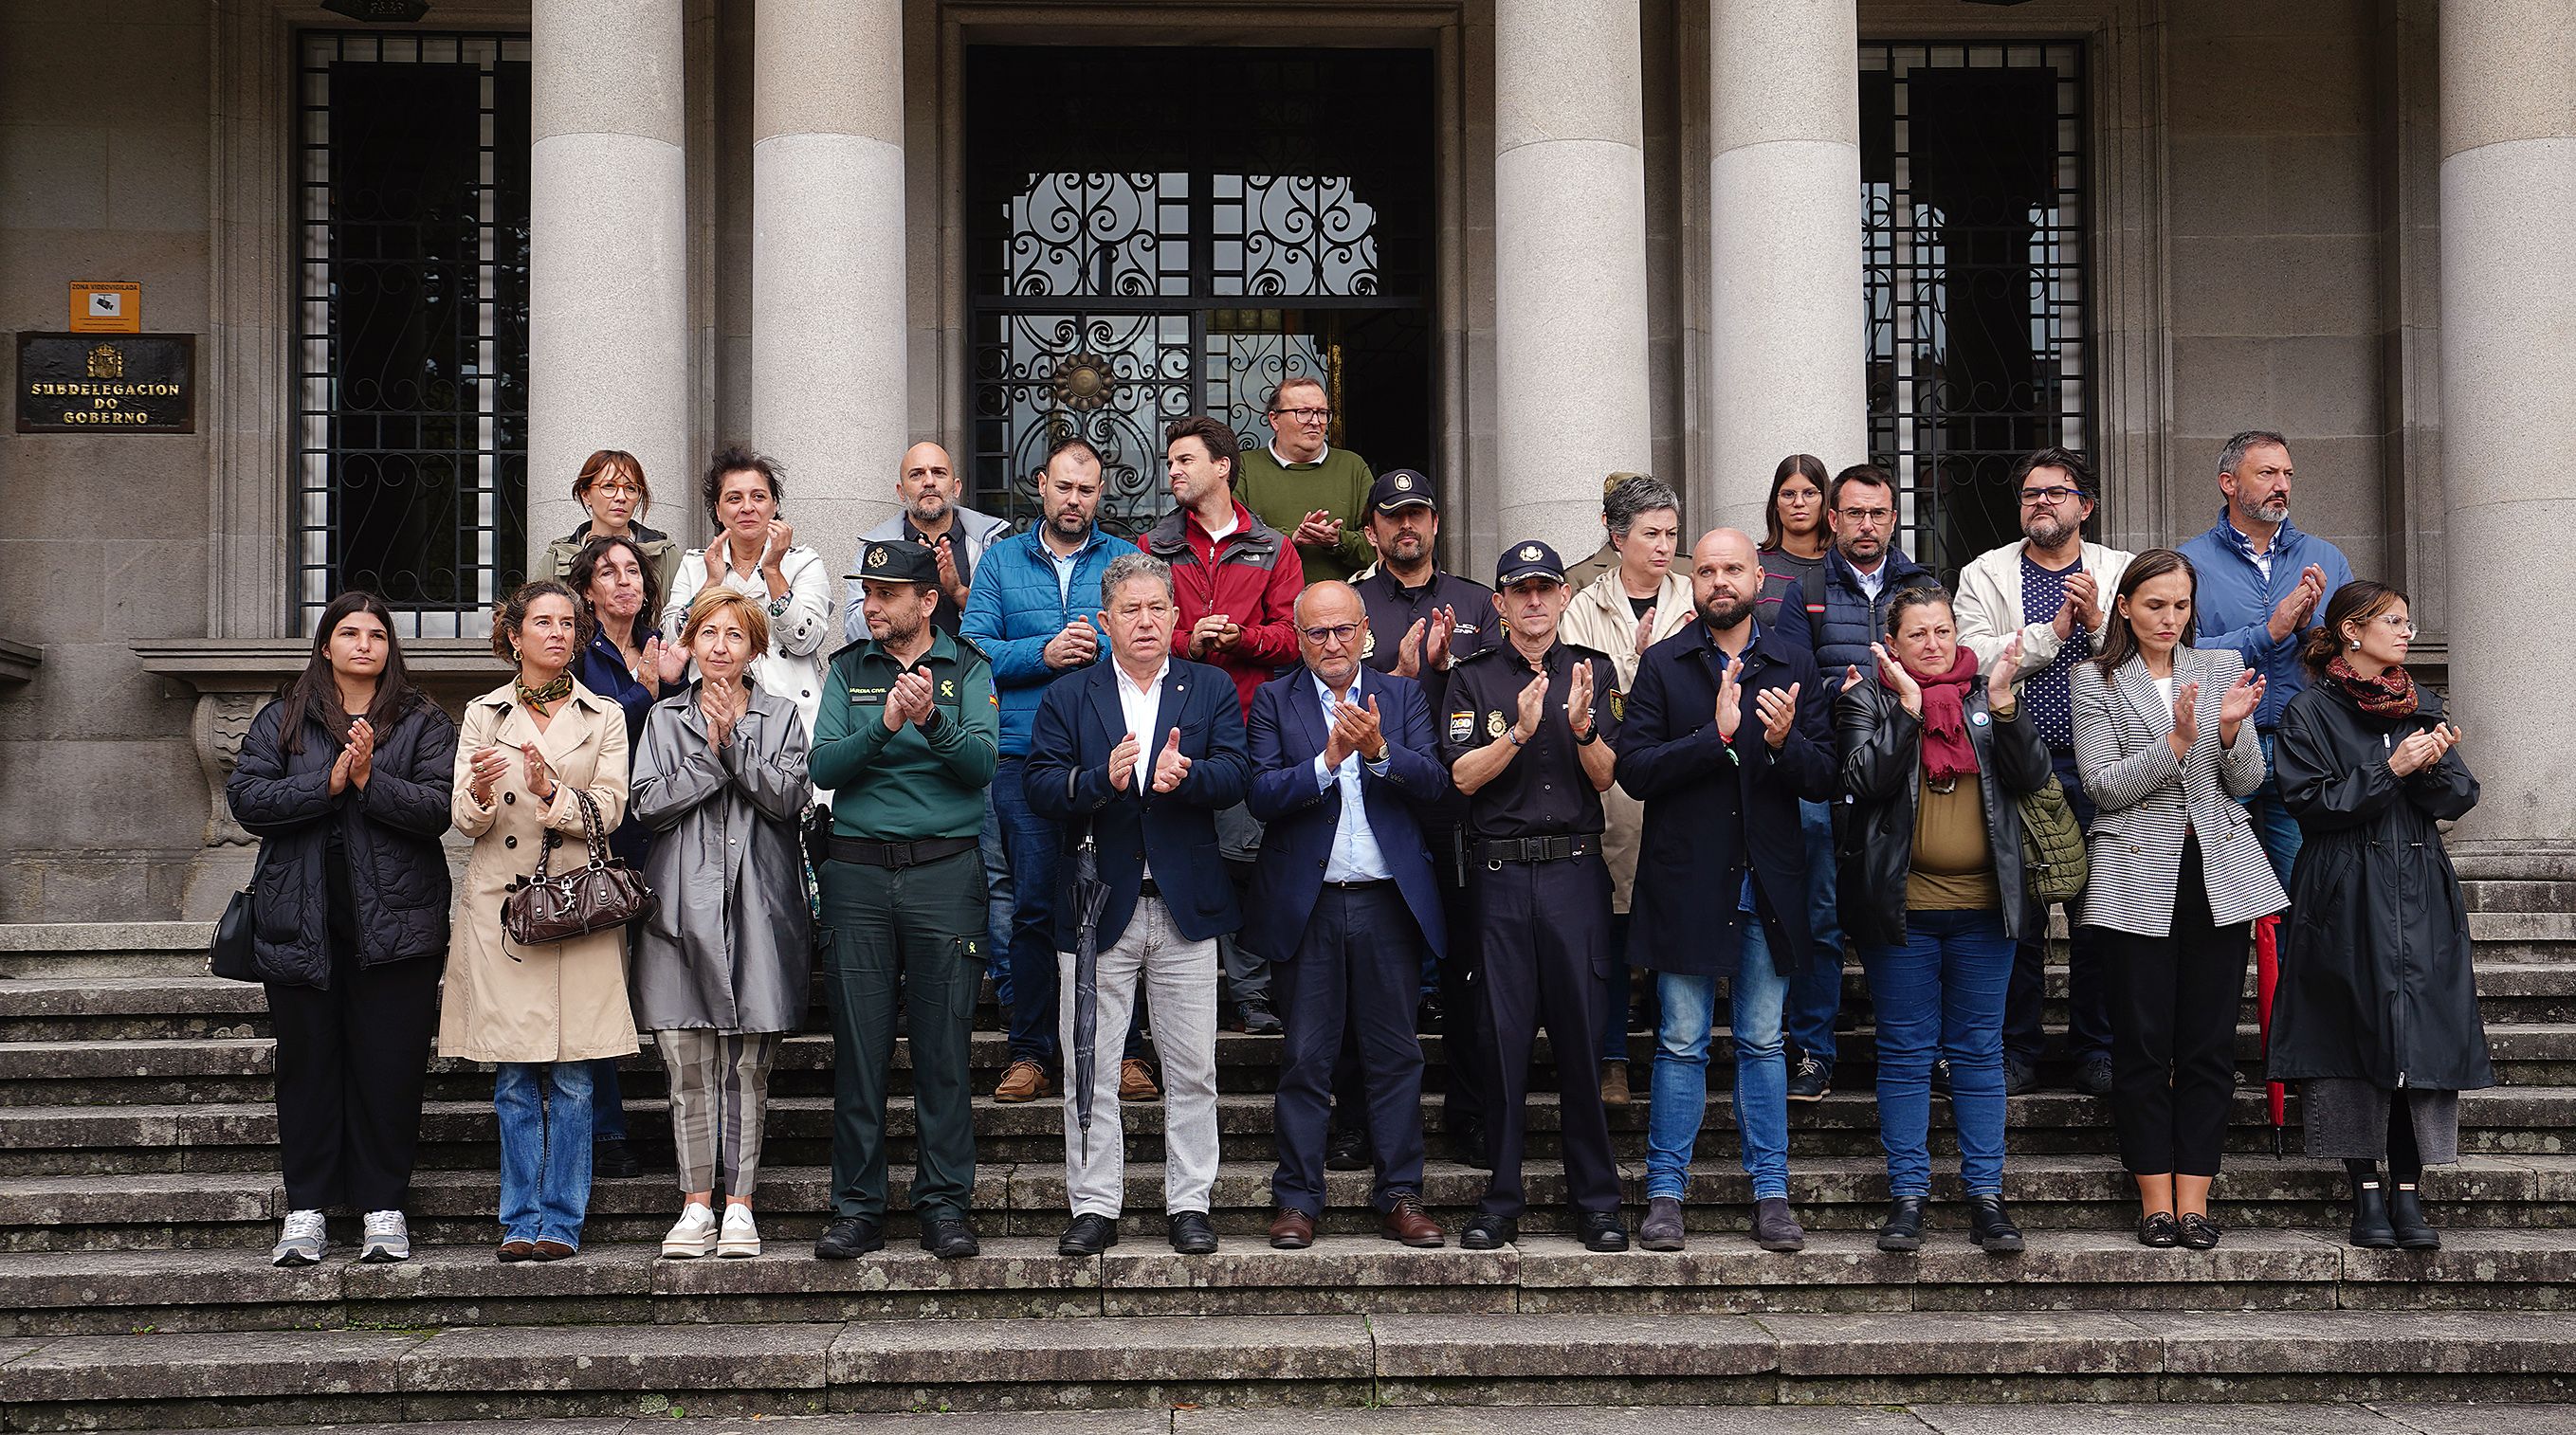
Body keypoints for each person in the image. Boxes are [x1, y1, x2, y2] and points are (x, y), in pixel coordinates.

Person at [1614, 529, 1834, 1254]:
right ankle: (1665, 1194)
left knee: (1763, 1042)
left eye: (1730, 568)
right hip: (1685, 881)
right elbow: (1635, 771)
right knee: (1679, 1043)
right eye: (1704, 570)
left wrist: (1778, 743)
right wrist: (1715, 737)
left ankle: (1771, 1193)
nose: (1717, 581)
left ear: (1756, 577)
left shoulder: (1793, 662)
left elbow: (1825, 776)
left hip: (1765, 879)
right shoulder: (1663, 664)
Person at [1026, 551, 1250, 1258]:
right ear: (1105, 621)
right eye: (1131, 610)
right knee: (1088, 1063)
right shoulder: (1070, 694)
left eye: (1158, 608)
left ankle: (1189, 1203)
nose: (1146, 621)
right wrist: (1101, 778)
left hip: (1183, 905)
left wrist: (1187, 775)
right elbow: (1037, 786)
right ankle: (1094, 1204)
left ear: (1177, 617)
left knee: (1192, 1068)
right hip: (1098, 908)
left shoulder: (1208, 687)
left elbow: (1238, 772)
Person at [226, 592, 455, 1267]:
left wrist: (367, 779)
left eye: (376, 634)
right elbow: (247, 799)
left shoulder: (420, 720)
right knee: (307, 1067)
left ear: (391, 648)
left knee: (390, 1067)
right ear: (325, 644)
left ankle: (384, 1207)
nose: (363, 644)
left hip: (396, 928)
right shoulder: (284, 718)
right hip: (300, 923)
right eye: (349, 633)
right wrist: (325, 784)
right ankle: (307, 1209)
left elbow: (436, 809)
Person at [2072, 548, 2286, 1251]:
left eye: (2180, 605)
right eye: (2155, 605)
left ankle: (2194, 1201)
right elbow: (2102, 787)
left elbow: (2246, 779)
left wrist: (2225, 731)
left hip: (2216, 874)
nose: (2169, 618)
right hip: (2134, 874)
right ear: (2125, 608)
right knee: (2140, 1044)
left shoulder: (2218, 669)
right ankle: (2152, 1202)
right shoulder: (2092, 679)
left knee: (2206, 1046)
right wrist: (2175, 743)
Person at [2268, 581, 2487, 1251]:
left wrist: (2427, 766)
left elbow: (2458, 796)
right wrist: (2390, 767)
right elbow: (2310, 802)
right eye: (2391, 620)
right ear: (2350, 632)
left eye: (2406, 619)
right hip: (2342, 887)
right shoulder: (2308, 711)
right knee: (2346, 1036)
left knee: (2419, 1037)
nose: (2406, 629)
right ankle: (2364, 1190)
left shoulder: (2422, 706)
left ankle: (2409, 1192)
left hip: (2418, 887)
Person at [1836, 588, 2054, 1256]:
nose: (1931, 644)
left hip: (1986, 911)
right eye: (1916, 634)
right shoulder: (1863, 699)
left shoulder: (1989, 696)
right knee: (1903, 1055)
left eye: (1941, 630)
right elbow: (1862, 779)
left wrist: (2008, 706)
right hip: (1903, 913)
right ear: (1892, 645)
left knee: (1978, 1054)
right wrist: (1905, 712)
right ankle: (1908, 1197)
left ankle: (1985, 1198)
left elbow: (2032, 776)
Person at [808, 540, 1001, 1262]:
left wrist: (933, 721)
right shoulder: (848, 670)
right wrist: (885, 721)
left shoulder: (967, 666)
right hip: (856, 875)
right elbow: (823, 764)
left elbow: (982, 767)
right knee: (858, 1051)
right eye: (867, 592)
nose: (871, 605)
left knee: (942, 1051)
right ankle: (856, 1207)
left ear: (927, 602)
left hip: (944, 876)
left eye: (887, 594)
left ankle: (944, 1204)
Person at [1247, 581, 1451, 1251]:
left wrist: (1380, 754)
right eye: (1315, 633)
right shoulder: (1274, 700)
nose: (1331, 645)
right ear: (1298, 637)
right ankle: (1298, 1201)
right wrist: (1326, 761)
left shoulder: (1399, 697)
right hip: (1307, 907)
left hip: (1385, 903)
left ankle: (1399, 1195)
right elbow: (1260, 794)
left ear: (1365, 629)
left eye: (1342, 630)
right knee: (1306, 1058)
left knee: (1394, 1057)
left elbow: (1434, 784)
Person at [440, 579, 639, 1262]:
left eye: (568, 623)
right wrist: (478, 790)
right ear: (514, 635)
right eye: (543, 622)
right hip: (504, 907)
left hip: (578, 906)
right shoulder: (482, 715)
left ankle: (562, 1219)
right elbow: (465, 824)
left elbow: (610, 812)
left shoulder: (604, 714)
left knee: (578, 1072)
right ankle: (518, 1216)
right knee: (516, 1076)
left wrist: (553, 790)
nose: (557, 633)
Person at [1439, 540, 1627, 1253]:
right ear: (1499, 604)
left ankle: (1598, 1202)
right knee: (1502, 1043)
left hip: (1575, 875)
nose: (1535, 601)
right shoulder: (1473, 679)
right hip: (1500, 879)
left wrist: (1579, 727)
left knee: (1580, 1039)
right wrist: (1519, 730)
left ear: (1562, 597)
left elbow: (1608, 776)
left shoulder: (1595, 671)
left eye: (1546, 588)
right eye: (1521, 590)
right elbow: (1460, 778)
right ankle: (1500, 1197)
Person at [629, 588, 814, 1261]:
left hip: (757, 911)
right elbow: (646, 804)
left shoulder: (781, 716)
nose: (719, 648)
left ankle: (739, 1204)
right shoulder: (663, 718)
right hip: (680, 910)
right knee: (685, 1066)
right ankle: (694, 1203)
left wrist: (733, 745)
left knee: (745, 1068)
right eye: (707, 633)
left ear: (754, 647)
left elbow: (790, 797)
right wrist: (708, 754)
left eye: (734, 636)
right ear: (691, 642)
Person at [960, 437, 1143, 1105]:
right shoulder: (1002, 561)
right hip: (1021, 755)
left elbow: (1152, 642)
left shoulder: (1126, 560)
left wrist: (1103, 648)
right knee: (1034, 908)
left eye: (1087, 489)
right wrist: (1044, 650)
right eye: (1064, 486)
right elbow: (973, 649)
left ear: (1101, 493)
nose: (1075, 500)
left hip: (1111, 753)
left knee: (1120, 910)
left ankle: (1122, 1051)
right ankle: (1032, 1052)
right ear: (1040, 484)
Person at [1952, 446, 2133, 1097]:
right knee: (2017, 915)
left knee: (2099, 915)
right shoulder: (1984, 573)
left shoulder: (2122, 572)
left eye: (2055, 493)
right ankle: (2014, 1051)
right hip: (2015, 762)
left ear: (2084, 505)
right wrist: (2051, 630)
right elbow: (1968, 656)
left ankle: (2097, 1048)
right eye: (2030, 494)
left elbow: (2147, 656)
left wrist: (2094, 628)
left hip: (2103, 762)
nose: (2041, 504)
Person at [1350, 468, 1500, 1164]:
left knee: (1470, 975)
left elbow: (1500, 693)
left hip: (1461, 813)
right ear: (1372, 528)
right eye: (1390, 516)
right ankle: (1359, 1122)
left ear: (1436, 523)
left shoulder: (1477, 601)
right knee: (1373, 975)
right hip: (1378, 811)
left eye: (1416, 514)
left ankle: (1469, 1117)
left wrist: (1441, 670)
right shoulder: (1349, 606)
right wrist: (1404, 674)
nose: (1404, 526)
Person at [1141, 414, 1303, 1037]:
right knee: (1175, 865)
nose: (1174, 472)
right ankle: (1178, 1004)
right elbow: (1141, 630)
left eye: (1184, 460)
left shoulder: (1272, 547)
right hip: (1171, 732)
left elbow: (1293, 638)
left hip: (1246, 730)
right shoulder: (1153, 549)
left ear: (1221, 467)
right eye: (1171, 462)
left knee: (1247, 862)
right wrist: (1191, 642)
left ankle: (1254, 995)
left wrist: (1240, 638)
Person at [1784, 463, 1940, 1103]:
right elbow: (1787, 678)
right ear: (1832, 519)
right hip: (1828, 781)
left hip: (1909, 780)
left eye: (1877, 513)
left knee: (1911, 919)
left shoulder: (1922, 584)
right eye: (1853, 513)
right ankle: (1813, 1052)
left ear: (1893, 517)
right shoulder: (1808, 588)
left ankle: (1917, 1050)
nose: (1866, 524)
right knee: (1819, 920)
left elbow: (1944, 670)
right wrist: (1842, 696)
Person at [1559, 475, 1690, 1109]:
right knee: (1609, 935)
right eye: (1650, 534)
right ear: (1617, 538)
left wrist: (1643, 676)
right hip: (1611, 795)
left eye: (1670, 533)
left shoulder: (1692, 597)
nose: (1663, 547)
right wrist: (1645, 667)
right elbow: (1590, 699)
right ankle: (1612, 1059)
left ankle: (1671, 1054)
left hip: (1677, 788)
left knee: (1668, 933)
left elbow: (1697, 697)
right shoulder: (1585, 605)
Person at [2175, 430, 2352, 893]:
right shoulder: (2188, 562)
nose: (2282, 485)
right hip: (2220, 746)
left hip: (2303, 745)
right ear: (2228, 483)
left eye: (2288, 474)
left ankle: (2295, 971)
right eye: (2267, 473)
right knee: (2218, 894)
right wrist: (2267, 633)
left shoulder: (2326, 558)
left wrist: (2309, 631)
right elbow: (2177, 656)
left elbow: (2354, 655)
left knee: (2303, 891)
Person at [566, 534, 689, 1180]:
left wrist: (667, 680)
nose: (623, 581)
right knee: (600, 991)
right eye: (608, 572)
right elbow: (587, 738)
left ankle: (689, 1130)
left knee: (673, 989)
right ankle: (606, 1130)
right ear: (589, 589)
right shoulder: (578, 657)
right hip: (600, 842)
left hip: (667, 834)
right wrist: (646, 688)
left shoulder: (670, 651)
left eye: (633, 570)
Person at [662, 445, 834, 768]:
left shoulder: (803, 562)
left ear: (774, 505)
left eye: (758, 497)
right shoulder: (695, 564)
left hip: (789, 713)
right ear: (717, 509)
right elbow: (674, 639)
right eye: (734, 498)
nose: (747, 508)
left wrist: (773, 572)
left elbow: (806, 640)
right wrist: (711, 583)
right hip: (714, 710)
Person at [841, 441, 1012, 644]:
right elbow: (854, 632)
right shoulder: (876, 550)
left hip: (971, 672)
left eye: (939, 473)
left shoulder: (991, 546)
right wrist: (904, 589)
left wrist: (959, 593)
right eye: (917, 474)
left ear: (956, 487)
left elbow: (1007, 624)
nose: (929, 481)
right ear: (901, 491)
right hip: (898, 673)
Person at [1234, 375, 1377, 586]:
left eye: (1322, 413)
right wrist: (1292, 538)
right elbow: (1232, 540)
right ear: (1274, 420)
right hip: (1265, 608)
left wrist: (1338, 541)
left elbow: (1379, 545)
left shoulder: (1352, 467)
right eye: (1303, 412)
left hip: (1340, 610)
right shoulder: (1244, 467)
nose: (1315, 421)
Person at [539, 448, 682, 600]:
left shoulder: (665, 554)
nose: (621, 497)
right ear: (586, 495)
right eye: (609, 486)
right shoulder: (557, 558)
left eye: (630, 488)